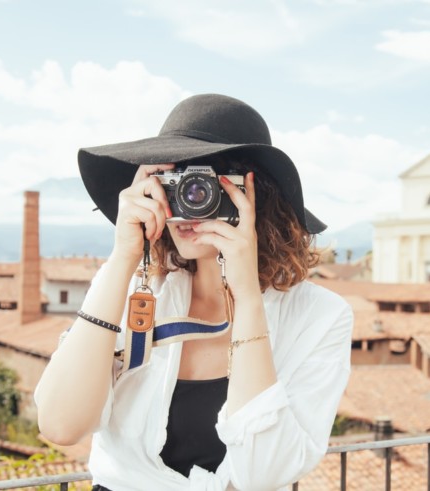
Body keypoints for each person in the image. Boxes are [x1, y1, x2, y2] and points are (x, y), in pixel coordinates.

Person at [35, 93, 354, 490]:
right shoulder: (130, 285)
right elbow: (60, 424)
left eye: (205, 186)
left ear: (255, 195)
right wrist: (123, 257)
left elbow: (264, 475)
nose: (187, 204)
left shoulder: (320, 317)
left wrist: (246, 297)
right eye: (173, 185)